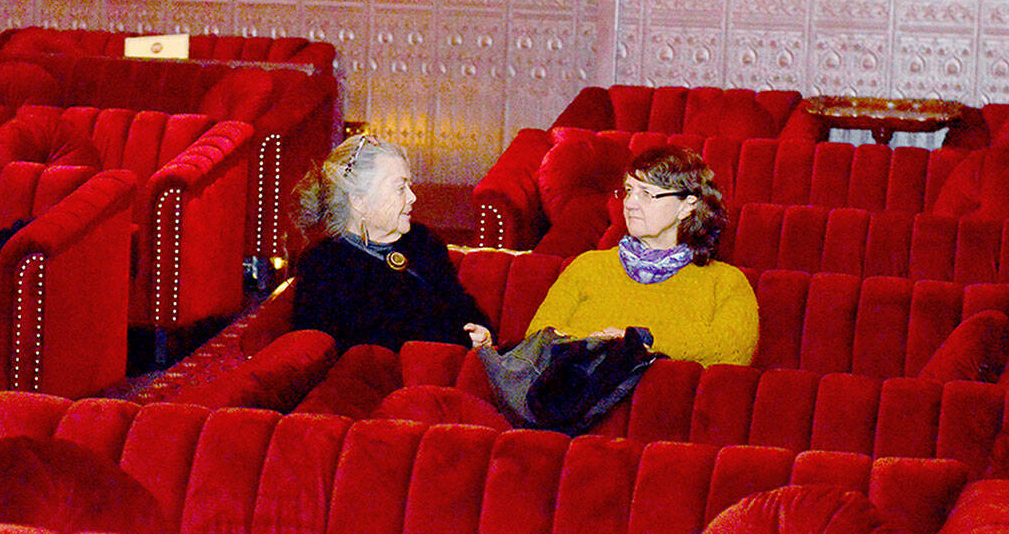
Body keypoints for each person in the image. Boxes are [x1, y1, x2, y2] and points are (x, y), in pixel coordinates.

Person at [525, 145, 758, 366]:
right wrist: (599, 345)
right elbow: (537, 337)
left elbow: (734, 351)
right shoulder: (587, 266)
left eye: (646, 194)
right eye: (628, 191)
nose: (630, 204)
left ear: (687, 206)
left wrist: (640, 342)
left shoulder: (726, 282)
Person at [290, 133, 493, 353]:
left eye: (410, 186)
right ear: (359, 201)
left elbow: (458, 301)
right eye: (400, 188)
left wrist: (481, 330)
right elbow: (371, 339)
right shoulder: (323, 263)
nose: (412, 197)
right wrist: (458, 338)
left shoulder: (423, 241)